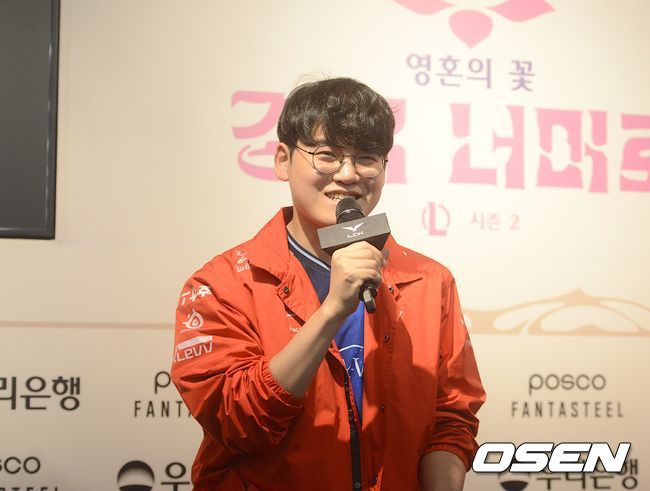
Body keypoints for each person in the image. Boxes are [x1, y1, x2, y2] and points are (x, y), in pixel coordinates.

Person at [171, 77, 486, 490]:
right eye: (327, 156)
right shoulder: (224, 283)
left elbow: (451, 417)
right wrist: (333, 309)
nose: (348, 174)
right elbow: (236, 421)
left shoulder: (429, 280)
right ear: (283, 161)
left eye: (366, 158)